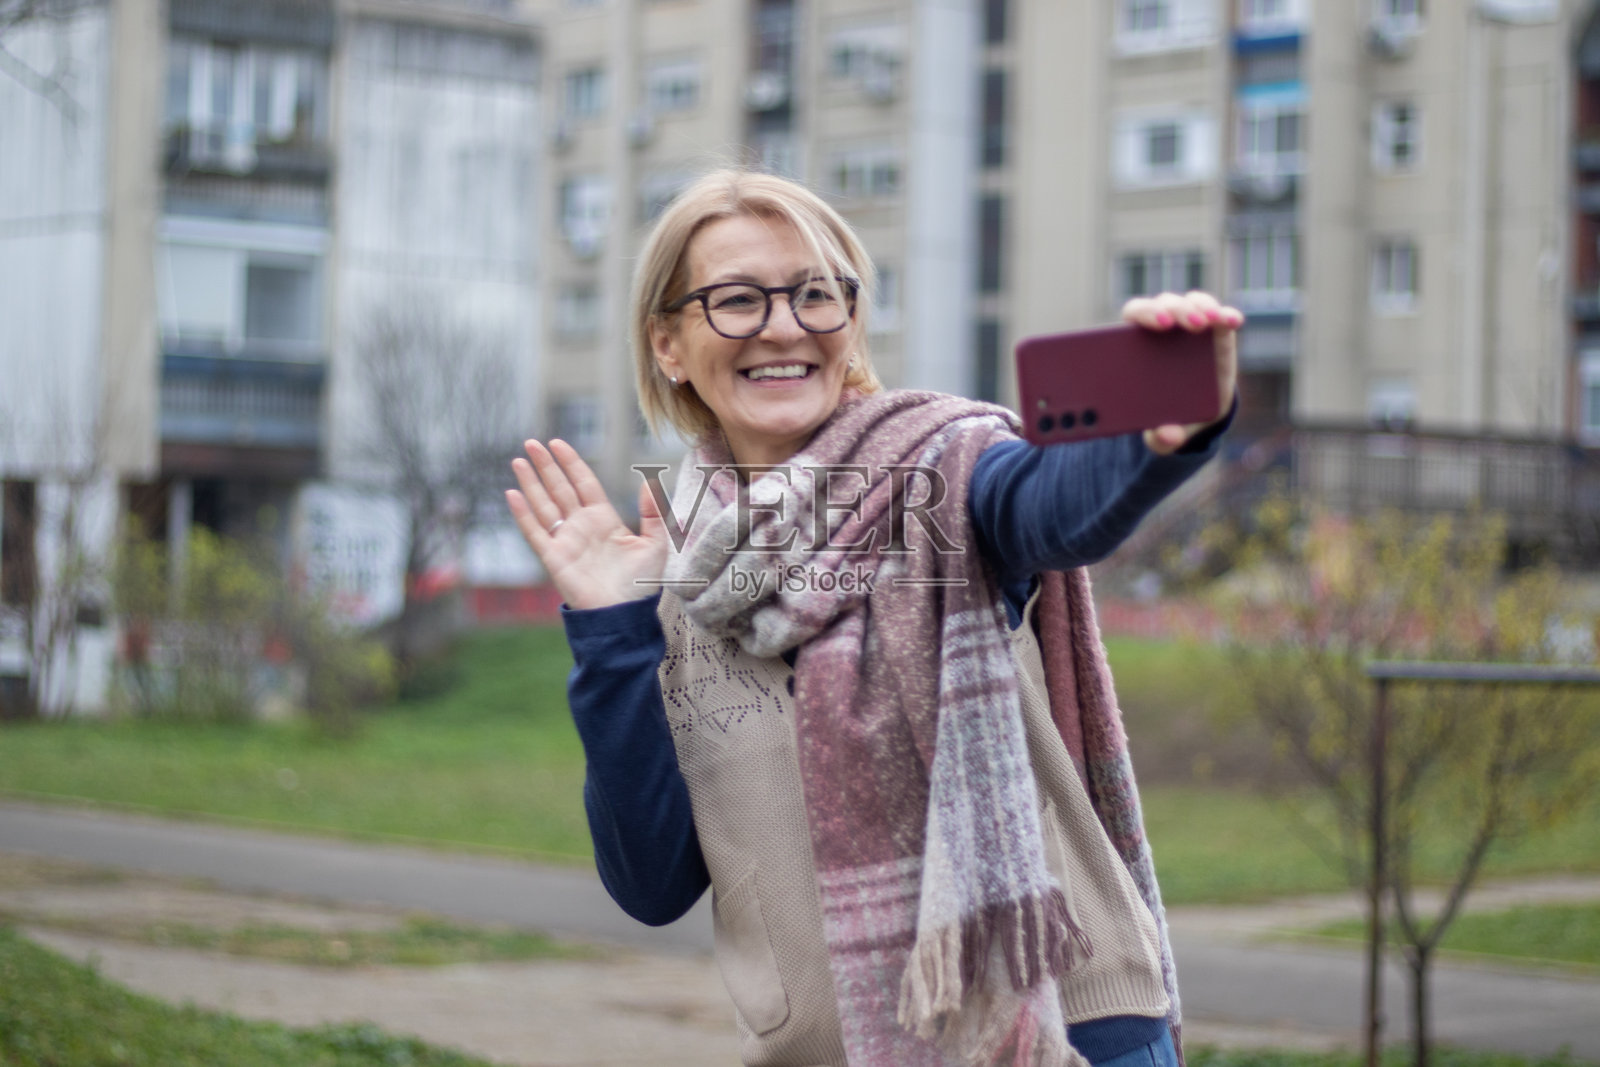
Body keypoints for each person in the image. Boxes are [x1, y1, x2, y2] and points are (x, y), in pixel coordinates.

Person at [506, 169, 1239, 1067]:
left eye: (815, 293)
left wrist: (1152, 443)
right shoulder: (673, 581)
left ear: (849, 323)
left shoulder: (945, 473)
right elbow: (652, 883)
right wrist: (613, 627)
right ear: (668, 343)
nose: (783, 325)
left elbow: (1053, 503)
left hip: (1063, 1035)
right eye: (737, 299)